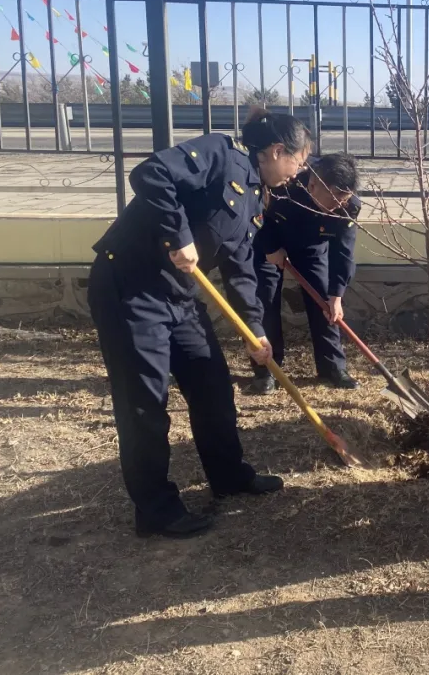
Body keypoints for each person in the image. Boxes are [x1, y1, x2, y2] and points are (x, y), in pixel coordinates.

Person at [88, 108, 311, 539]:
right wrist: (179, 236)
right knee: (144, 403)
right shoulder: (219, 153)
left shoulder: (252, 196)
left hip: (179, 295)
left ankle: (229, 475)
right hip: (130, 285)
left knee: (212, 386)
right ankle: (156, 510)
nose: (298, 171)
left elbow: (241, 266)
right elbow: (150, 174)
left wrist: (255, 328)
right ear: (278, 150)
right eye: (298, 161)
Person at [249, 153, 361, 394]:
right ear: (312, 185)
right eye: (333, 202)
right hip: (269, 242)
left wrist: (336, 294)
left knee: (324, 301)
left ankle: (332, 367)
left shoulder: (349, 206)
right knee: (265, 300)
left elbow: (344, 251)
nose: (338, 208)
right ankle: (266, 370)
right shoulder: (284, 185)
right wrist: (270, 247)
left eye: (343, 201)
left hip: (311, 247)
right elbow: (256, 213)